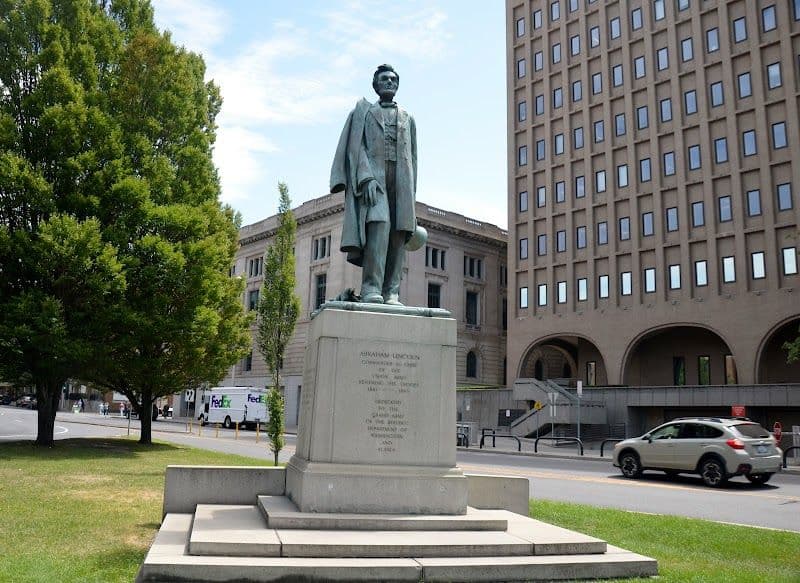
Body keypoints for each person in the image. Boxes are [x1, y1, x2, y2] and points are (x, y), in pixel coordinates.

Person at [330, 64, 425, 305]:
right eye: (384, 79)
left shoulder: (408, 117)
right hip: (375, 179)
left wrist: (411, 194)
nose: (389, 82)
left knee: (398, 234)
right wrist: (366, 178)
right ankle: (371, 287)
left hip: (402, 182)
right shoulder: (364, 112)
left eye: (393, 79)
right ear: (375, 85)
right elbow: (356, 147)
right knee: (379, 226)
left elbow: (413, 157)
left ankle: (391, 291)